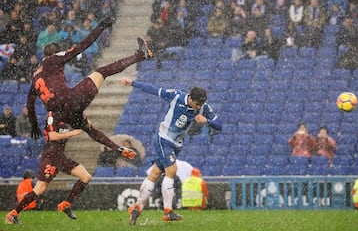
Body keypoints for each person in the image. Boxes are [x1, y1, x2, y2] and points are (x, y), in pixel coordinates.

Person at [26, 16, 152, 160]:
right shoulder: (53, 59)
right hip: (70, 99)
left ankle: (117, 148)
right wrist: (101, 27)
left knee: (89, 129)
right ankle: (140, 56)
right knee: (102, 72)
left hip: (62, 115)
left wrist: (34, 125)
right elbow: (81, 46)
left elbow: (30, 103)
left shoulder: (35, 76)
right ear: (54, 54)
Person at [5, 110, 135, 224]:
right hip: (50, 156)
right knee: (40, 189)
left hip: (60, 157)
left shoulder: (74, 117)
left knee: (86, 177)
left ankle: (66, 204)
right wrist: (70, 134)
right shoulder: (53, 114)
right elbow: (51, 136)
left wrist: (117, 148)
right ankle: (13, 214)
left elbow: (95, 133)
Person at [122, 77, 222, 225]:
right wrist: (132, 83)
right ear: (190, 97)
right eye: (196, 104)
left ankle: (137, 207)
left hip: (177, 145)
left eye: (200, 104)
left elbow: (219, 125)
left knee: (155, 173)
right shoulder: (176, 96)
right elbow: (154, 89)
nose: (198, 107)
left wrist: (207, 121)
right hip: (163, 139)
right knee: (172, 170)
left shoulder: (203, 108)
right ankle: (168, 211)